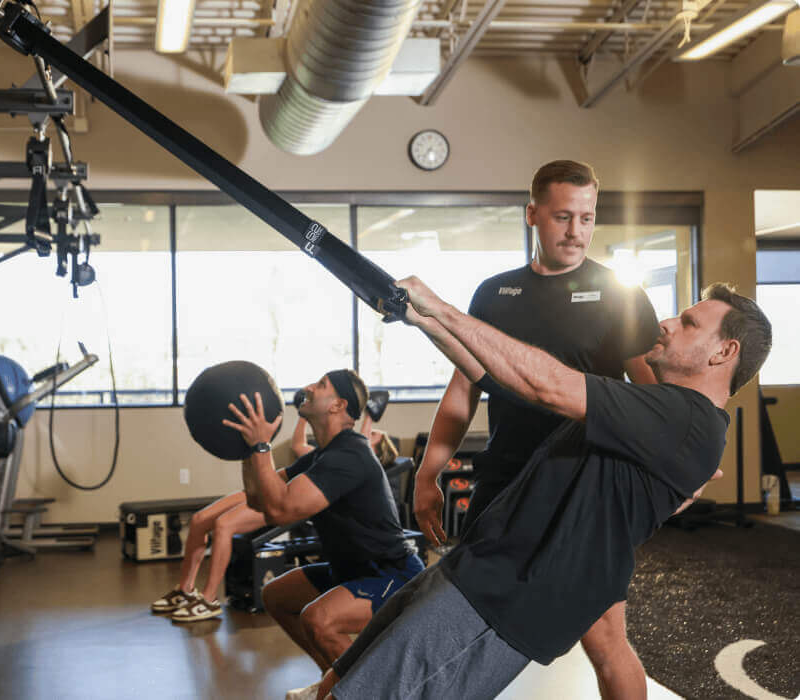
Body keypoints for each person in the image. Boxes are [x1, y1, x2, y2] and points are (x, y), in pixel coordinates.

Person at [318, 280, 771, 700]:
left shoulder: (687, 419)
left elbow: (548, 383)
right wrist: (424, 320)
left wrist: (440, 307)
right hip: (478, 567)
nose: (667, 323)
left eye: (689, 322)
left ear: (724, 352)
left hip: (505, 599)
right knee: (337, 684)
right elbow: (497, 376)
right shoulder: (661, 410)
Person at [413, 160, 661, 698]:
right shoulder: (493, 294)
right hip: (504, 484)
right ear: (532, 215)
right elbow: (463, 390)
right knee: (463, 626)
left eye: (587, 218)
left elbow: (651, 400)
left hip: (584, 491)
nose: (576, 231)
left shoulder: (619, 295)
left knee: (605, 639)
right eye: (562, 217)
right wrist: (427, 472)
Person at [223, 369, 425, 700]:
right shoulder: (324, 456)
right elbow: (259, 498)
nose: (308, 388)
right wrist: (250, 450)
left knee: (319, 619)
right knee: (277, 596)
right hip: (351, 570)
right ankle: (331, 680)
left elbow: (281, 511)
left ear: (337, 405)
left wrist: (261, 444)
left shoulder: (350, 455)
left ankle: (366, 692)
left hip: (393, 576)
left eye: (320, 385)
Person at [149, 491, 265, 622]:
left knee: (223, 525)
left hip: (284, 497)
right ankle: (185, 590)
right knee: (198, 519)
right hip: (269, 486)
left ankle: (209, 600)